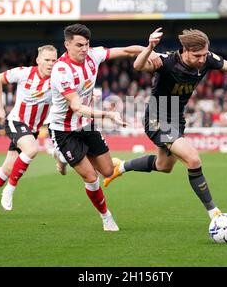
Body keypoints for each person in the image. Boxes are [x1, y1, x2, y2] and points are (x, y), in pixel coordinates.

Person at [104, 27, 227, 220]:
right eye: (197, 55)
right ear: (185, 50)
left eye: (204, 54)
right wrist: (150, 47)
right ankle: (215, 214)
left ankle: (121, 167)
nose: (202, 59)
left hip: (177, 117)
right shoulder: (166, 61)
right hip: (157, 117)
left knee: (163, 165)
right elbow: (138, 65)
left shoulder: (207, 59)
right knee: (193, 159)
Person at [48, 23, 160, 231]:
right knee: (91, 177)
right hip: (64, 130)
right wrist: (108, 114)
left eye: (86, 44)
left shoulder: (93, 55)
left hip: (87, 125)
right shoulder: (61, 71)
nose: (84, 49)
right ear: (67, 45)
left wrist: (151, 49)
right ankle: (106, 217)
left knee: (108, 171)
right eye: (79, 45)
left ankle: (62, 157)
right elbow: (77, 107)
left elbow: (127, 50)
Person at [0, 45, 58, 217]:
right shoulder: (24, 73)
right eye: (47, 60)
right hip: (16, 122)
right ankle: (10, 189)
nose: (50, 64)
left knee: (8, 168)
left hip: (31, 130)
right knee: (32, 150)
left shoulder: (57, 79)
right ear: (38, 60)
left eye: (54, 60)